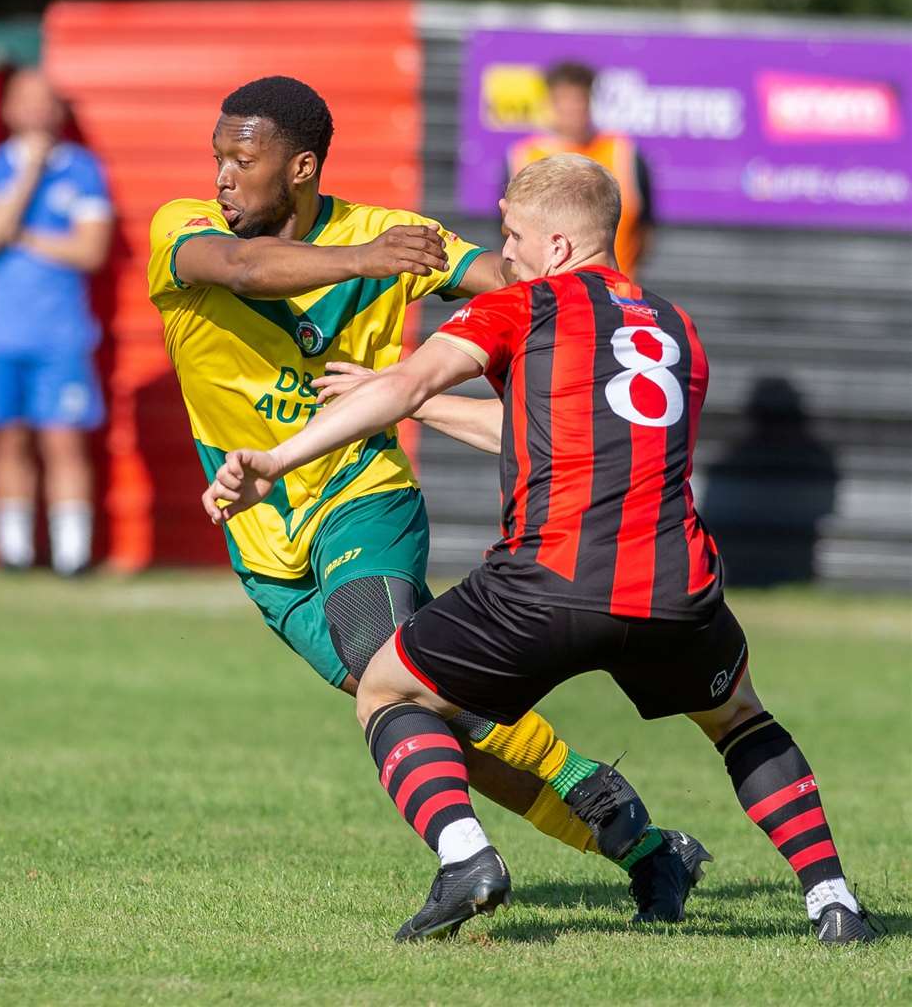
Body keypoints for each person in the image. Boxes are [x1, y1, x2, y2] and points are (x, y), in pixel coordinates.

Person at [203, 153, 877, 945]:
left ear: (557, 247)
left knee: (387, 689)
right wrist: (408, 400)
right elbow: (550, 440)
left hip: (548, 580)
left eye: (513, 236)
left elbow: (412, 384)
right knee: (739, 721)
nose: (505, 256)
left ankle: (465, 859)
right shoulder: (675, 329)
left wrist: (278, 459)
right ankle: (833, 901)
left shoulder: (526, 305)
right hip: (674, 586)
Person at [152, 76, 709, 922]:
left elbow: (512, 283)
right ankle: (642, 845)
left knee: (391, 666)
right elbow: (241, 270)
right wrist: (364, 263)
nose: (223, 175)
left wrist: (598, 308)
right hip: (260, 541)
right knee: (436, 732)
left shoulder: (394, 236)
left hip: (358, 495)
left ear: (300, 167)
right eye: (218, 157)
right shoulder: (186, 228)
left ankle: (467, 863)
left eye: (243, 158)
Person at [0, 69, 112, 576]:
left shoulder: (83, 170)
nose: (36, 109)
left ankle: (73, 555)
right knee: (10, 439)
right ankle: (15, 553)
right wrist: (27, 176)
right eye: (25, 99)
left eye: (46, 101)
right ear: (7, 109)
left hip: (61, 332)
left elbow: (91, 249)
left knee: (64, 440)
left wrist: (22, 236)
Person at [507, 61, 654, 277]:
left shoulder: (623, 153)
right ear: (549, 102)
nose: (572, 109)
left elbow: (645, 230)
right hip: (543, 298)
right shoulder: (523, 156)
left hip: (613, 294)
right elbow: (509, 232)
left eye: (578, 100)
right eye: (563, 101)